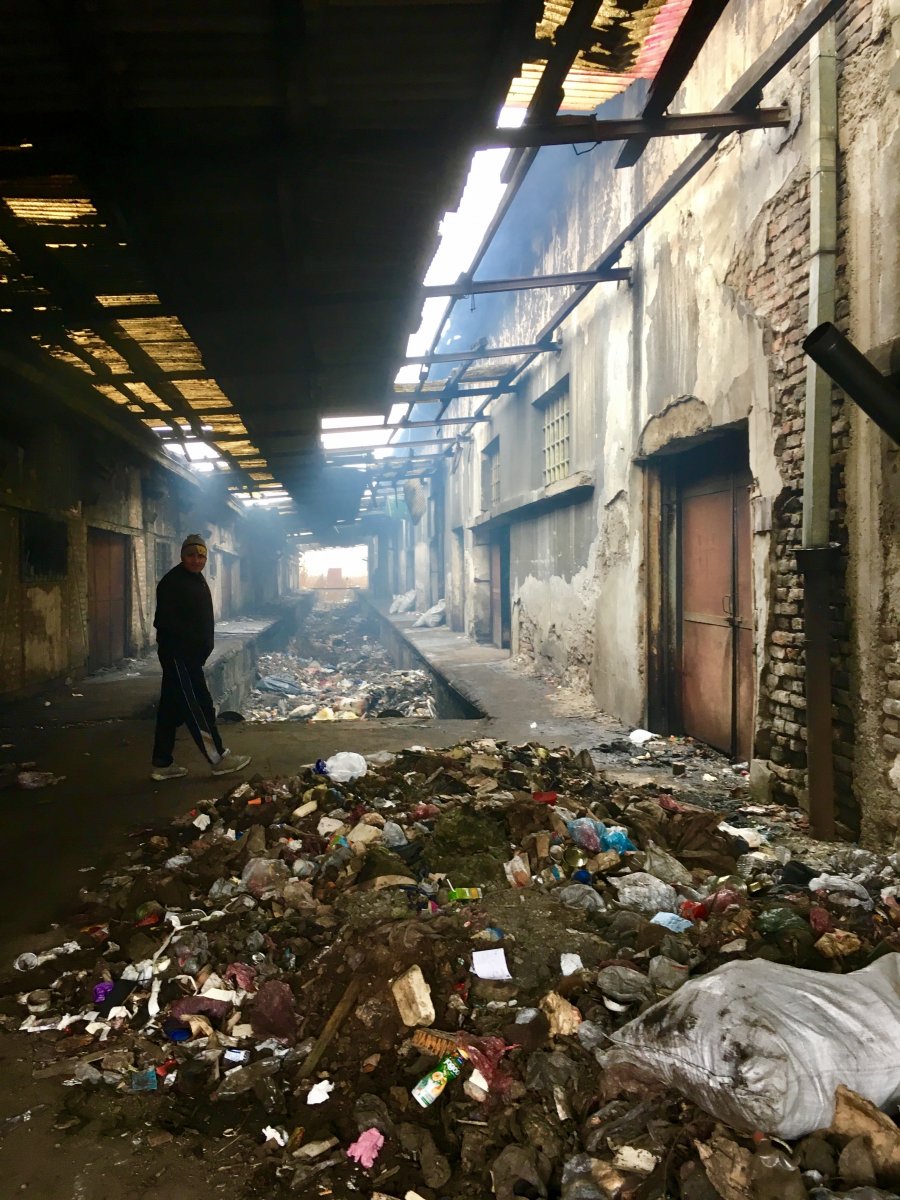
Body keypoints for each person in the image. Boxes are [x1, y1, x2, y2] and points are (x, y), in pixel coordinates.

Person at [150, 533, 251, 781]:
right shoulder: (172, 583)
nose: (196, 560)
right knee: (199, 708)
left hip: (190, 658)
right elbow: (164, 623)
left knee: (169, 710)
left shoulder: (195, 579)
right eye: (191, 555)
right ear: (182, 555)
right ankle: (218, 759)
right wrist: (188, 652)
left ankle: (162, 763)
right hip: (180, 658)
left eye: (201, 555)